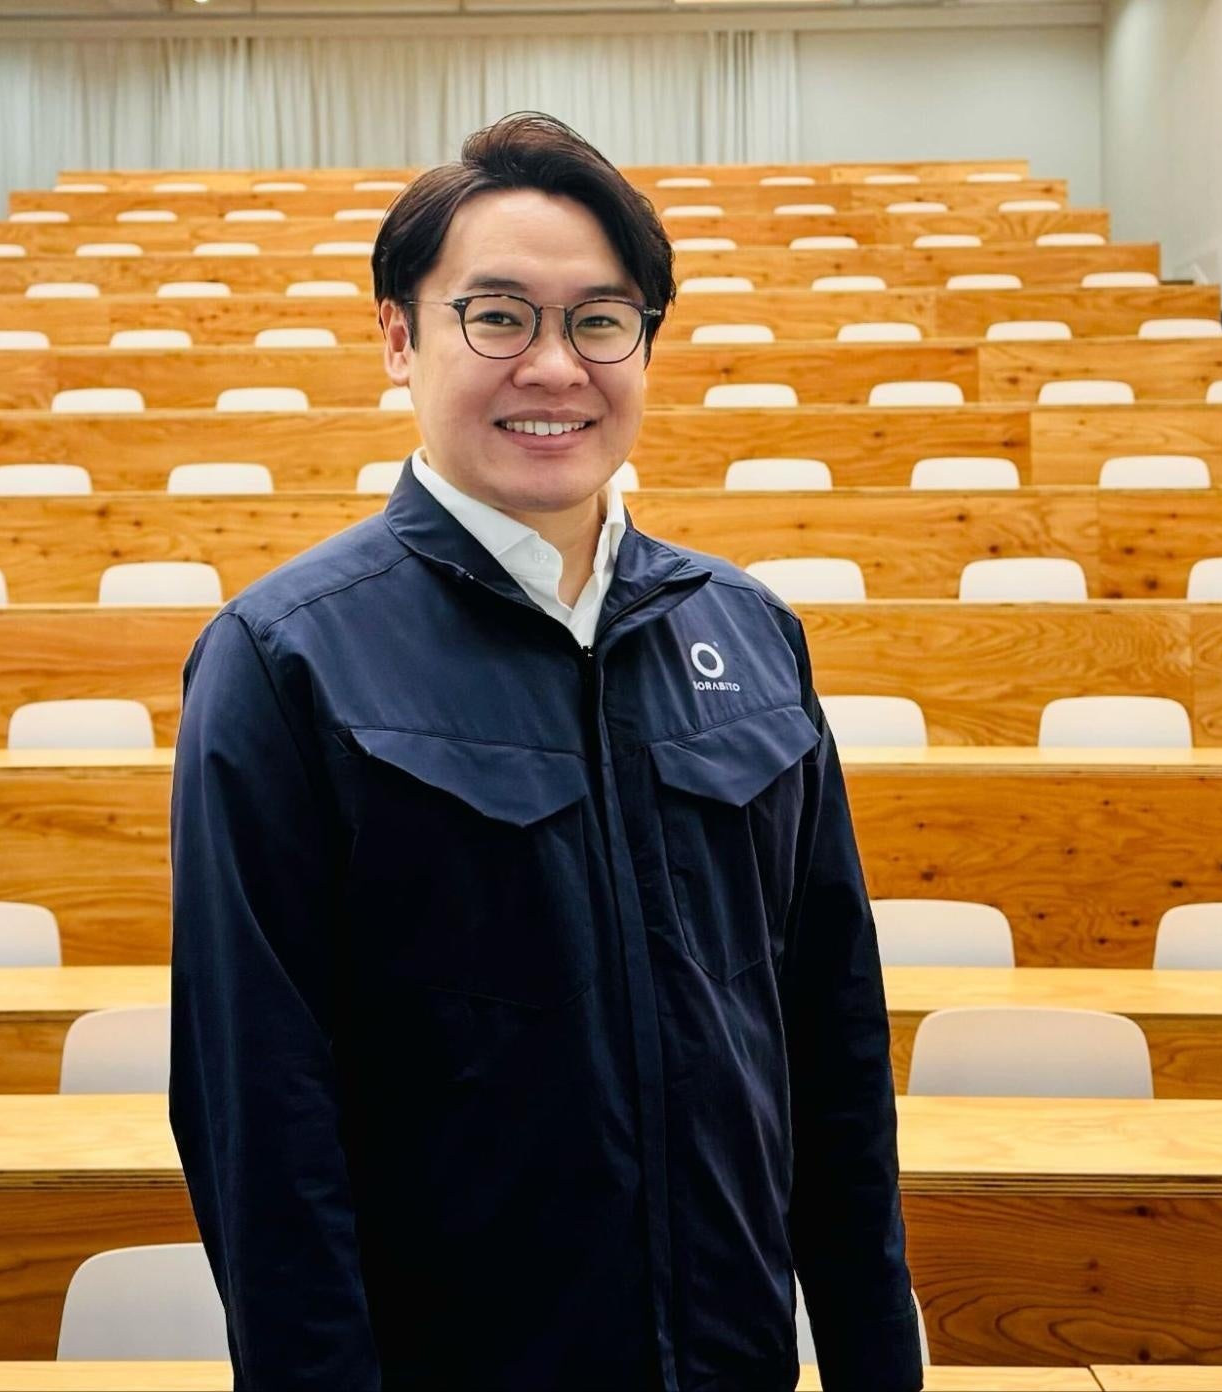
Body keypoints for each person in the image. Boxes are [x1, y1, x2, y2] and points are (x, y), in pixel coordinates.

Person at [170, 111, 920, 1392]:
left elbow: (829, 1045)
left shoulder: (750, 635)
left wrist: (872, 1363)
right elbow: (259, 1118)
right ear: (398, 337)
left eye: (600, 321)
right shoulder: (284, 659)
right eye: (498, 317)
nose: (556, 367)